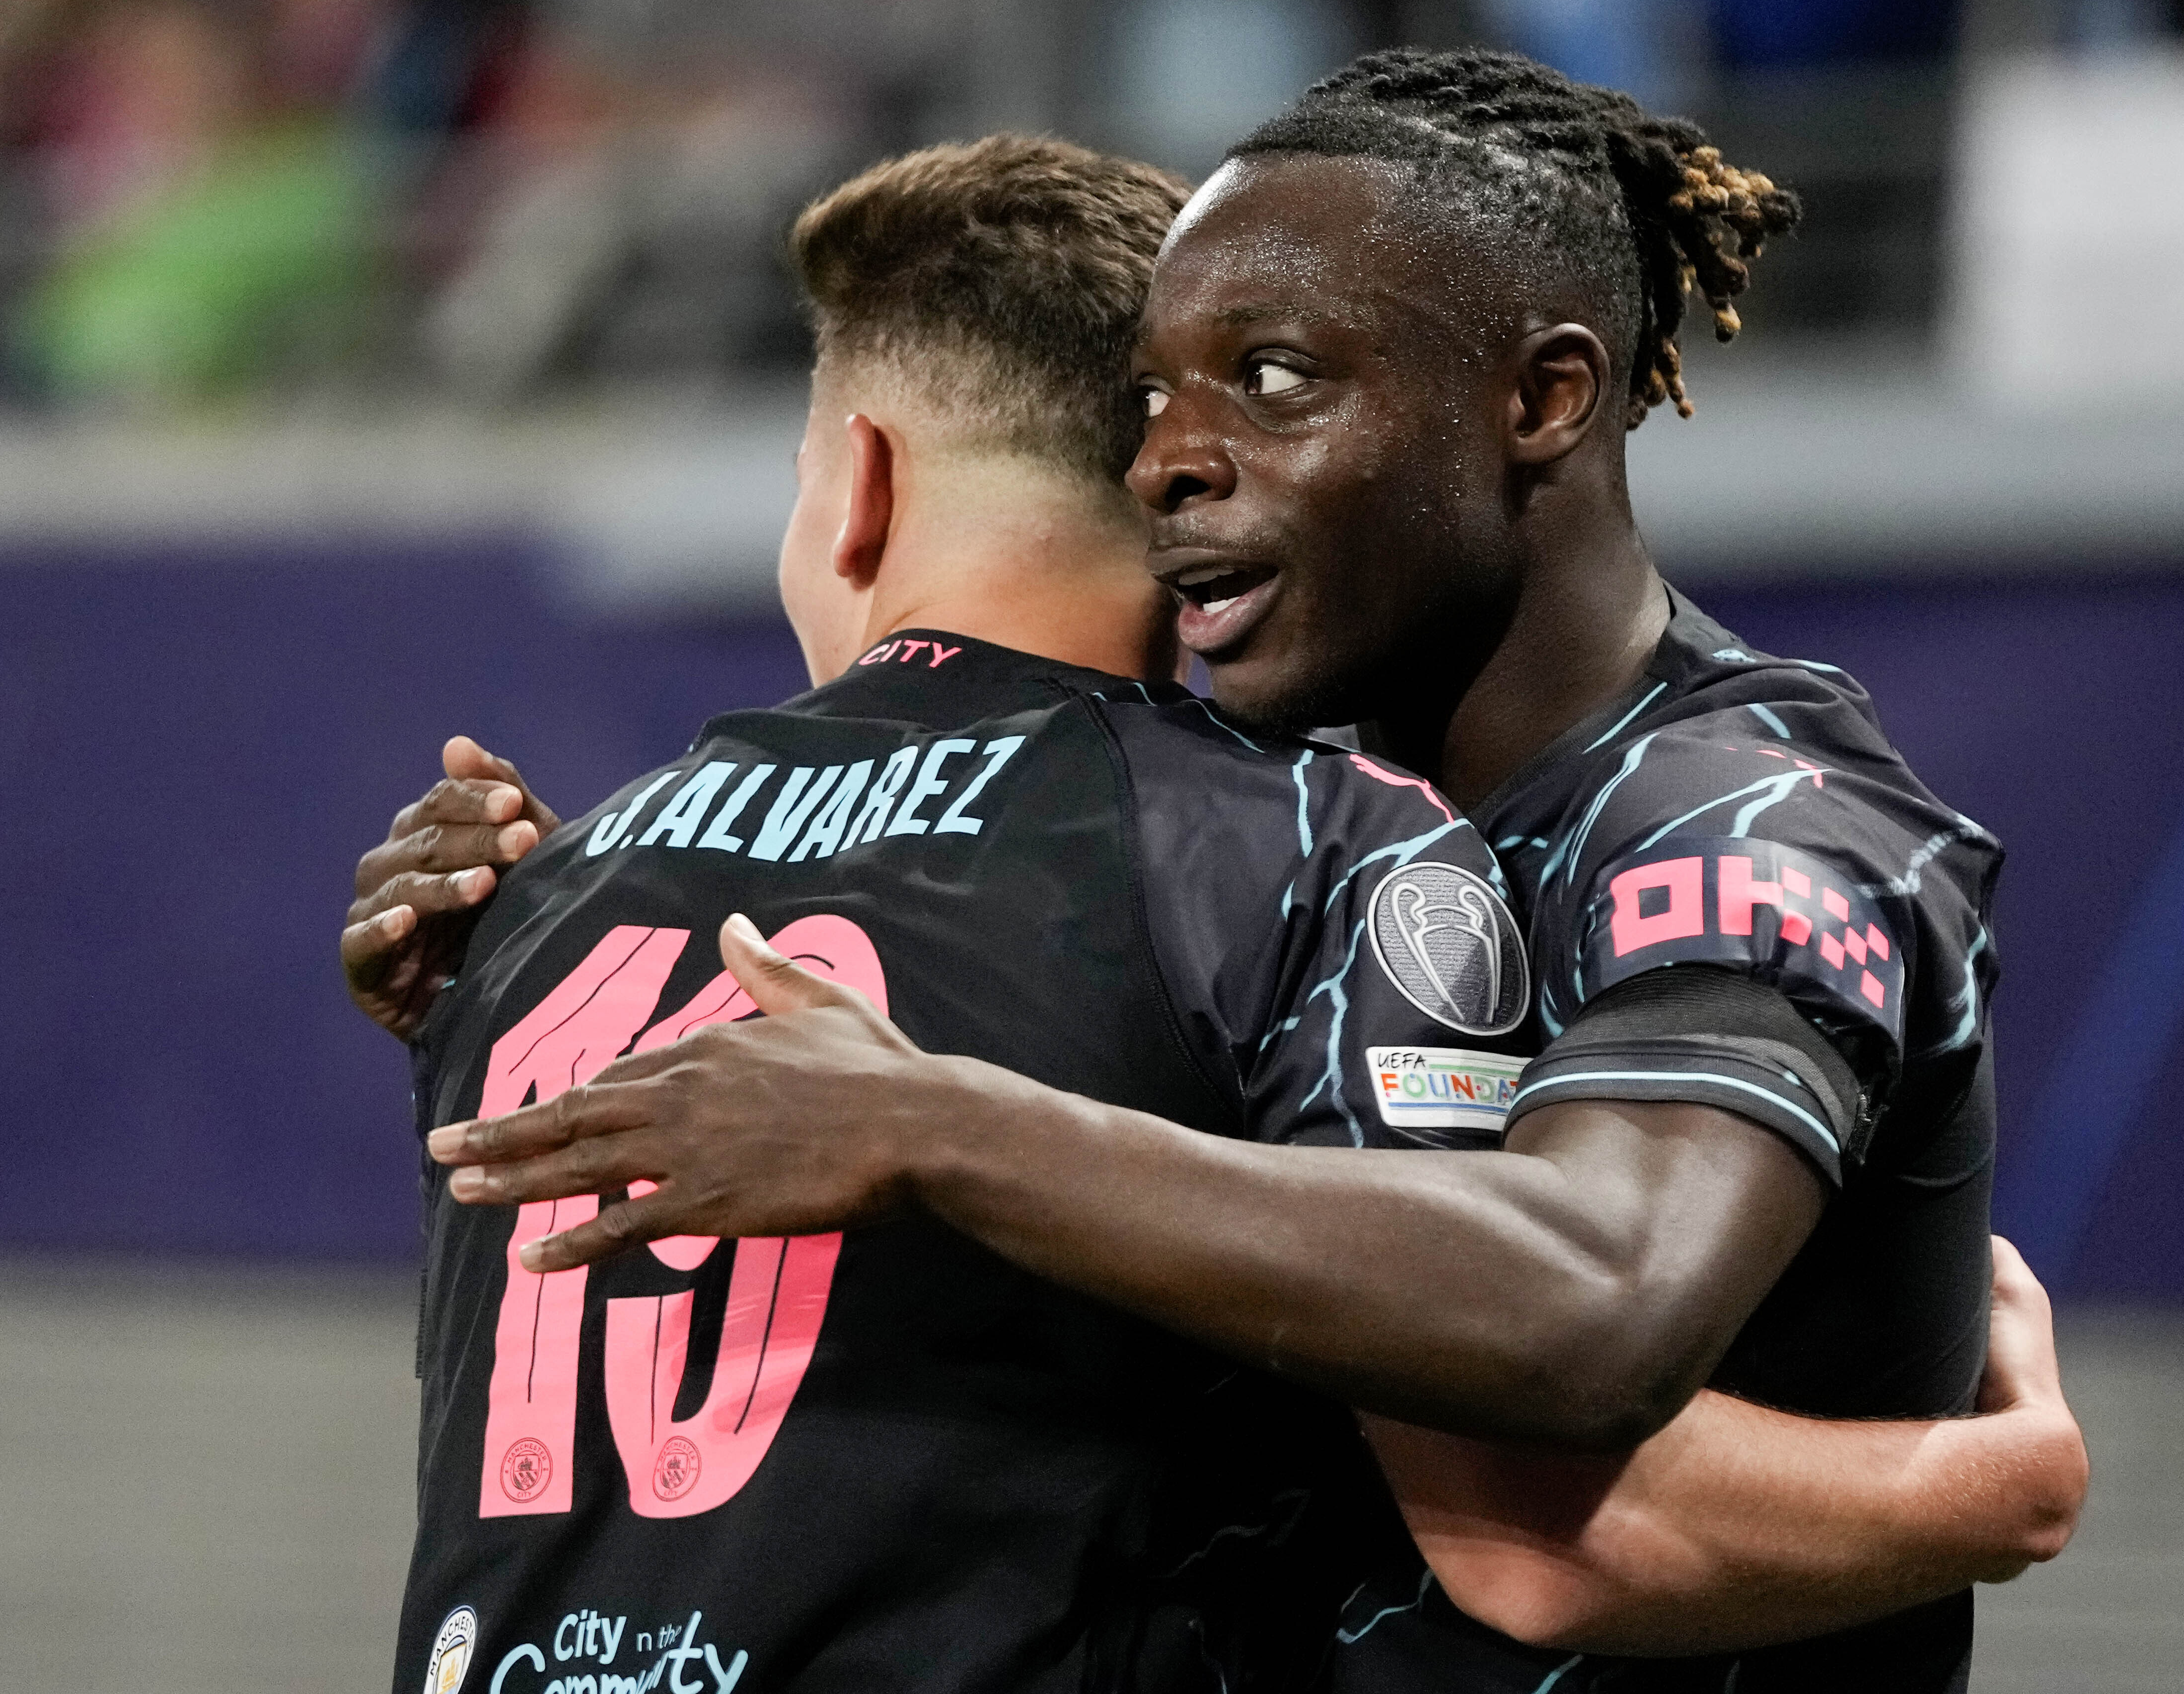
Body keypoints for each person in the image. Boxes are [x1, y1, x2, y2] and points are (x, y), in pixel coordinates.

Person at [376, 103, 2079, 1692]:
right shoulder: (1273, 838)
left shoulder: (1703, 818)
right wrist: (1990, 1485)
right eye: (1163, 405)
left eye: (1265, 382)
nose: (1181, 460)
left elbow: (1557, 1463)